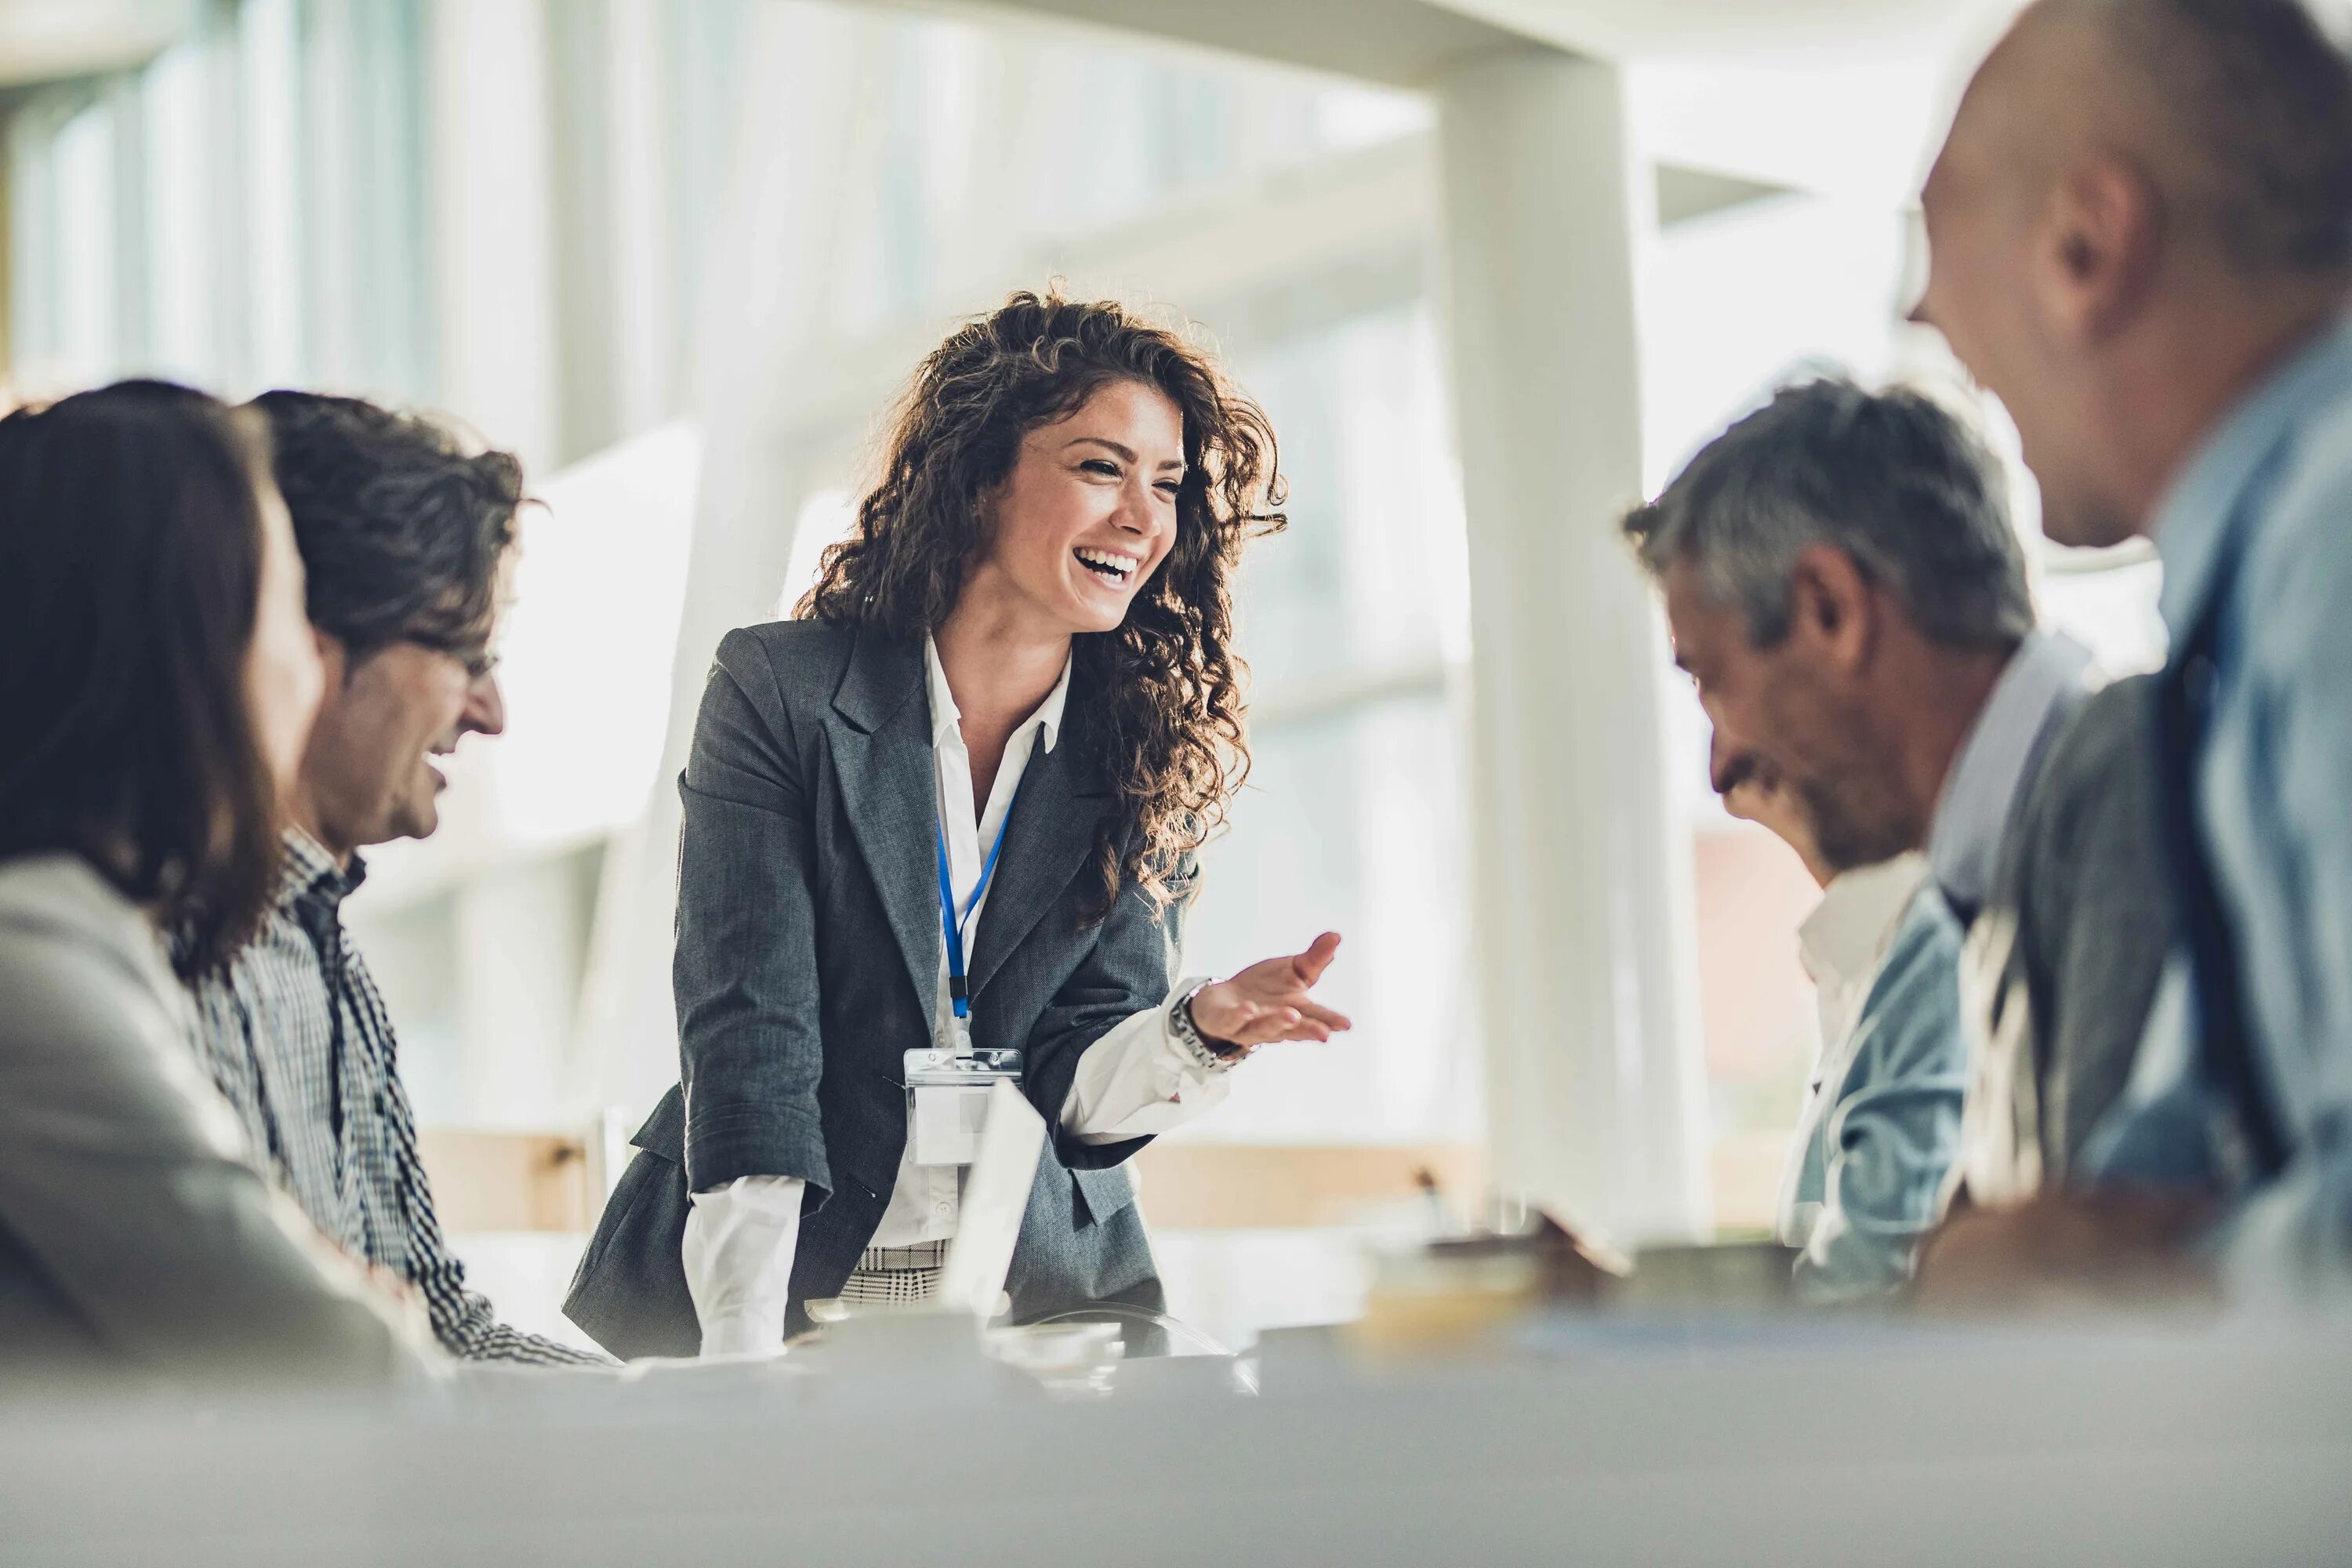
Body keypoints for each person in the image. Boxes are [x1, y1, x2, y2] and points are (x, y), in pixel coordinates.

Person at [567, 292, 1351, 1358]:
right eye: (1099, 467)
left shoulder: (1144, 744)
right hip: (771, 1282)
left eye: (1166, 484)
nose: (1143, 517)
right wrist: (740, 1362)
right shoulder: (781, 690)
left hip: (1040, 1306)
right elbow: (752, 1027)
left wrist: (1199, 1028)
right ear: (979, 476)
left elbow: (1074, 1092)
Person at [1908, 0, 2352, 1308]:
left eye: (1945, 288)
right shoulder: (2257, 597)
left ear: (2086, 248)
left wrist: (2141, 1290)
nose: (1931, 319)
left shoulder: (2331, 560)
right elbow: (2190, 1147)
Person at [0, 380, 434, 1389]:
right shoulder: (33, 964)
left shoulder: (93, 937)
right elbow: (339, 1363)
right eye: (289, 606)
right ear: (187, 640)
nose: (314, 669)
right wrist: (365, 1307)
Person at [1623, 376, 2089, 1300]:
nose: (1721, 772)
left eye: (1711, 679)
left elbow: (2131, 1274)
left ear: (1831, 607)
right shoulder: (1998, 874)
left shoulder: (2119, 792)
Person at [186, 390, 604, 1367]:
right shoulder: (170, 955)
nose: (490, 711)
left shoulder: (323, 945)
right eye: (466, 654)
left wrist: (680, 1420)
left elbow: (446, 1330)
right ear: (316, 649)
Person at [1956, 676, 2169, 1204]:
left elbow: (2103, 1241)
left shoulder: (2110, 758)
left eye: (1718, 685)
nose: (1717, 770)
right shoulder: (1977, 870)